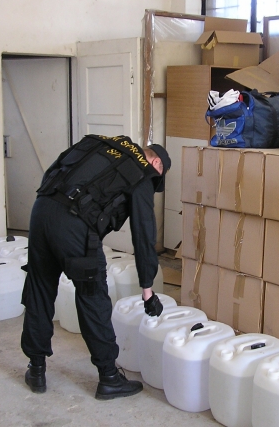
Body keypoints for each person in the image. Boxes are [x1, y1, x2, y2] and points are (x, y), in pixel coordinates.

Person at [20, 134, 171, 400]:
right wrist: (148, 291)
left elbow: (55, 169)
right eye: (158, 177)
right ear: (156, 162)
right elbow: (143, 233)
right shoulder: (142, 171)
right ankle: (109, 378)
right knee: (93, 298)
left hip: (42, 209)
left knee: (39, 287)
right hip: (74, 226)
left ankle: (36, 368)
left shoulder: (102, 143)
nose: (154, 182)